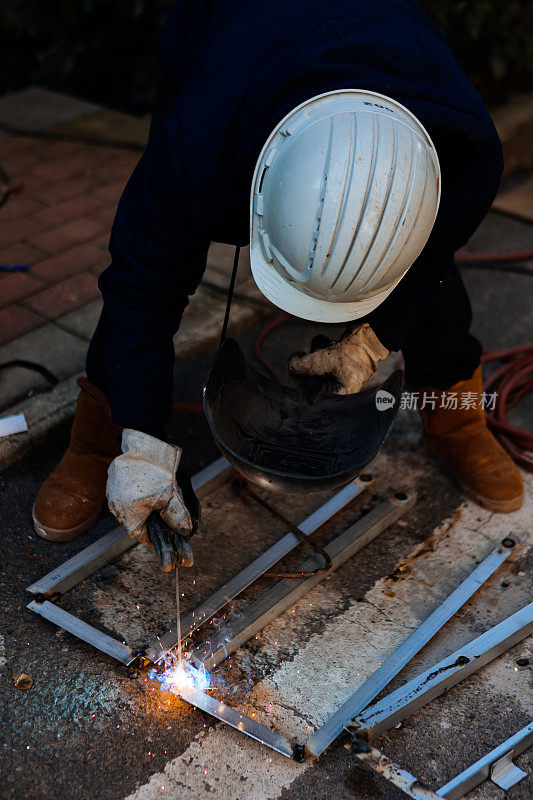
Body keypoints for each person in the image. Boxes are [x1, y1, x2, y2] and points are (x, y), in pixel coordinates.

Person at [32, 0, 523, 563]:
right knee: (158, 265)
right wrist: (141, 434)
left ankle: (455, 419)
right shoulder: (200, 144)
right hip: (232, 30)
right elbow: (140, 284)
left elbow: (430, 258)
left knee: (426, 272)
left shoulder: (462, 149)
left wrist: (373, 337)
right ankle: (99, 437)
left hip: (381, 35)